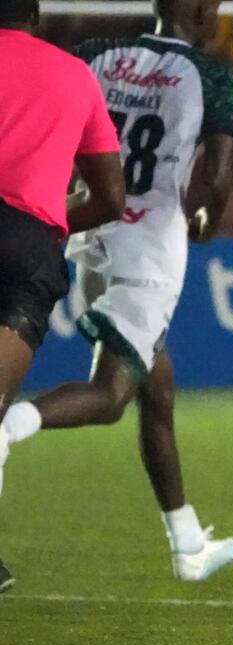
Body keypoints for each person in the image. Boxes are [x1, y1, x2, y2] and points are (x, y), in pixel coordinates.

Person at [0, 0, 233, 582]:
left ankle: (187, 541)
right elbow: (215, 175)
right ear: (198, 10)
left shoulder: (96, 55)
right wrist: (208, 219)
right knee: (112, 394)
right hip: (151, 248)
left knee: (154, 388)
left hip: (88, 238)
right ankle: (11, 427)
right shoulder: (214, 76)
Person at [0, 0, 126, 592]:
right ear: (37, 16)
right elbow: (108, 197)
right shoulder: (74, 75)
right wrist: (49, 222)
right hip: (27, 248)